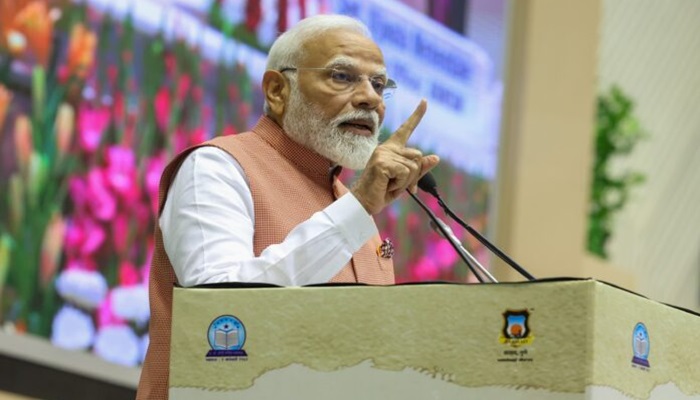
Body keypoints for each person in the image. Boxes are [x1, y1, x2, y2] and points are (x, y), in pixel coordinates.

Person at [136, 14, 439, 399]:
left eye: (379, 84)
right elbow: (222, 311)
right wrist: (359, 207)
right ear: (278, 90)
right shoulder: (217, 167)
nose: (371, 98)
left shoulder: (352, 209)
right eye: (343, 77)